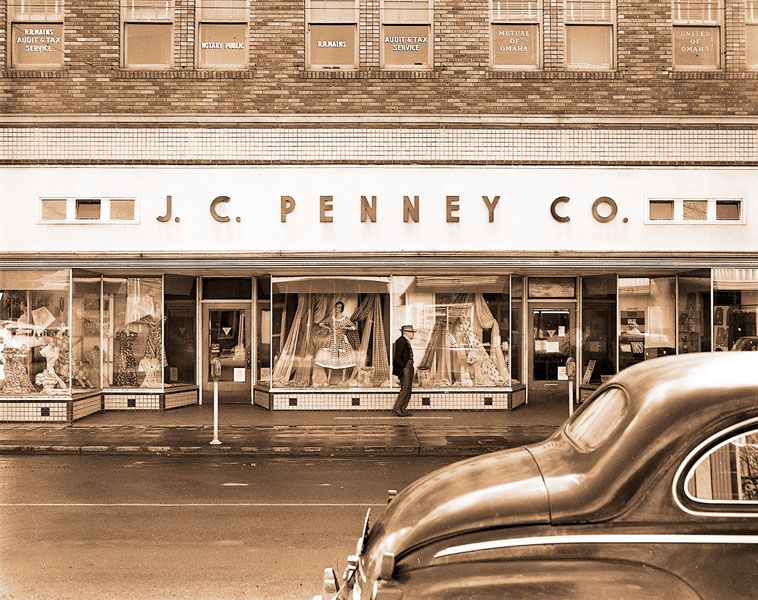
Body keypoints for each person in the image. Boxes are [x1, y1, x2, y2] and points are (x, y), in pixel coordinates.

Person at [314, 301, 357, 386]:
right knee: (331, 357)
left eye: (340, 307)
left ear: (342, 309)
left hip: (341, 339)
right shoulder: (332, 318)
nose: (338, 309)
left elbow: (354, 327)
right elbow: (321, 323)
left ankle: (343, 379)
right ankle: (329, 379)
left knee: (343, 358)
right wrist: (328, 328)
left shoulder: (345, 319)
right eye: (337, 307)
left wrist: (344, 327)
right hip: (332, 339)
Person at [392, 325, 415, 417]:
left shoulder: (405, 341)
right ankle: (398, 408)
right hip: (405, 367)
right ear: (406, 332)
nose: (413, 334)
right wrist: (404, 367)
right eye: (411, 332)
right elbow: (397, 357)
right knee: (405, 389)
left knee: (408, 389)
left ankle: (403, 408)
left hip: (408, 366)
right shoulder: (401, 341)